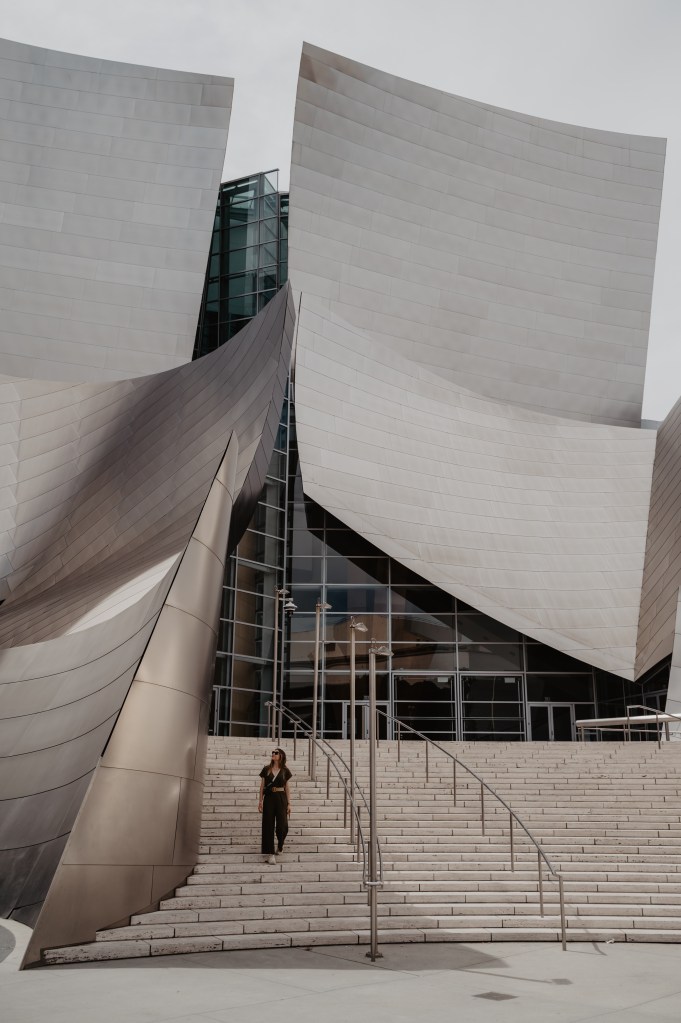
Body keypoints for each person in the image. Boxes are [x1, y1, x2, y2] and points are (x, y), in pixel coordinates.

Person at [258, 747, 292, 864]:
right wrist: (260, 801)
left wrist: (289, 803)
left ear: (281, 756)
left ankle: (280, 845)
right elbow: (262, 787)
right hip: (269, 799)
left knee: (282, 826)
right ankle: (270, 853)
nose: (273, 754)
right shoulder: (266, 769)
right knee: (268, 825)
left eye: (276, 753)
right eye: (272, 752)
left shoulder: (285, 771)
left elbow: (287, 787)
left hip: (281, 798)